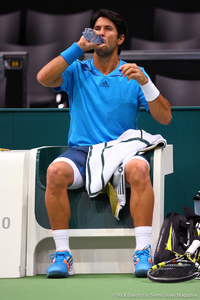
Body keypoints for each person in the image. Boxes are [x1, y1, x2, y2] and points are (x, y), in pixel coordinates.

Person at [37, 8, 172, 278]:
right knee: (54, 172)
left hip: (122, 152)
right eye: (97, 28)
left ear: (120, 39)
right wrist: (78, 47)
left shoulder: (134, 73)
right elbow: (43, 78)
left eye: (107, 29)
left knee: (140, 170)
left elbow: (165, 117)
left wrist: (146, 84)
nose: (100, 33)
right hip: (81, 152)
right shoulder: (77, 69)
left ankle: (142, 251)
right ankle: (63, 254)